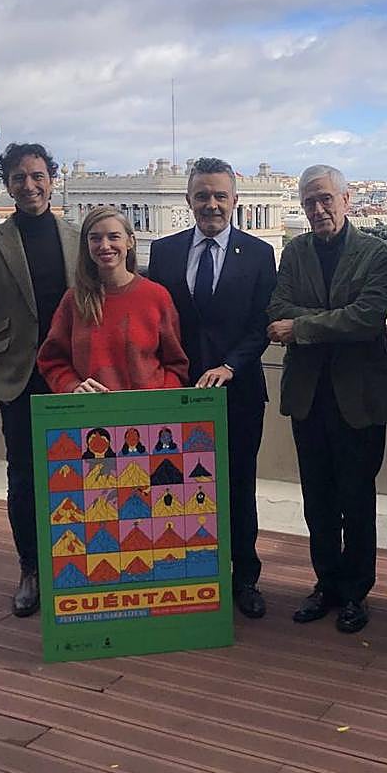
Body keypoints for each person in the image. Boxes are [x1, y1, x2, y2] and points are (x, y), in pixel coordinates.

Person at [0, 142, 79, 618]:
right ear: (7, 184)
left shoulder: (76, 238)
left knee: (76, 476)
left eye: (38, 176)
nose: (30, 185)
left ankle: (75, 564)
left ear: (52, 181)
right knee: (24, 479)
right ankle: (31, 569)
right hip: (18, 378)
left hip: (72, 376)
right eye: (20, 177)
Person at [267, 164, 387, 634]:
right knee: (317, 499)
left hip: (358, 399)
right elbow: (276, 308)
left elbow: (366, 318)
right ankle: (326, 584)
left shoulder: (376, 251)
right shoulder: (295, 251)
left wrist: (303, 327)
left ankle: (356, 592)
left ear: (346, 199)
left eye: (325, 199)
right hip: (309, 396)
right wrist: (331, 320)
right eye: (309, 201)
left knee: (357, 499)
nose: (318, 208)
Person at [148, 157, 277, 619]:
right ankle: (187, 574)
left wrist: (230, 366)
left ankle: (244, 578)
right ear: (188, 200)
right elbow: (155, 321)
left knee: (238, 487)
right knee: (175, 487)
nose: (211, 204)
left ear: (235, 200)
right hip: (177, 393)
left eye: (220, 196)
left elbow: (262, 324)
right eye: (202, 195)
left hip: (237, 393)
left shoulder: (259, 254)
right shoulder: (163, 252)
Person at [36, 206, 189, 393]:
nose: (105, 245)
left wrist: (162, 398)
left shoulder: (157, 296)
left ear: (130, 241)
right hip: (92, 409)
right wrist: (72, 386)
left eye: (113, 237)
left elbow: (176, 365)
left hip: (149, 408)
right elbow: (52, 360)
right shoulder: (73, 300)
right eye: (95, 238)